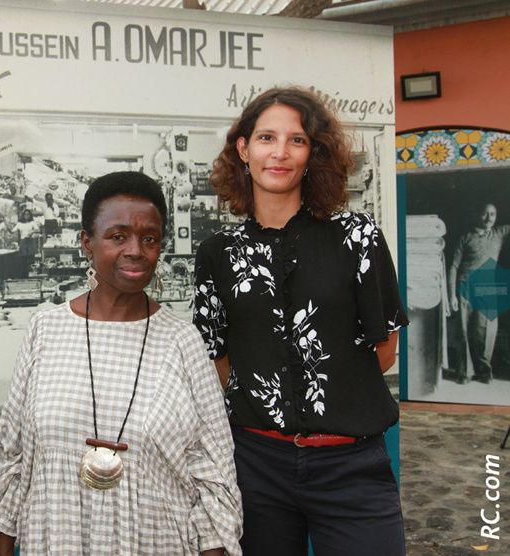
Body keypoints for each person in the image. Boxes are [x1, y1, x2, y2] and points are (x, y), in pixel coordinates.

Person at [0, 171, 243, 555]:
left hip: (156, 540)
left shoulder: (183, 342)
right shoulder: (46, 330)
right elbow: (13, 458)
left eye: (149, 238)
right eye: (117, 236)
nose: (136, 250)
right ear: (86, 243)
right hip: (58, 538)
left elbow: (213, 471)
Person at [193, 87, 408, 556]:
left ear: (314, 153)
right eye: (267, 137)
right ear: (244, 149)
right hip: (257, 467)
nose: (281, 152)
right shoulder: (217, 254)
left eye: (297, 140)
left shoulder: (357, 236)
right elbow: (220, 359)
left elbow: (385, 351)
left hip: (351, 465)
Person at [445, 202, 510, 384]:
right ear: (476, 215)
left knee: (486, 331)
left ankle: (483, 371)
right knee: (463, 331)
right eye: (484, 214)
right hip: (465, 287)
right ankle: (464, 373)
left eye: (492, 214)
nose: (489, 218)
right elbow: (453, 267)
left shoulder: (499, 234)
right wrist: (452, 295)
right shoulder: (465, 238)